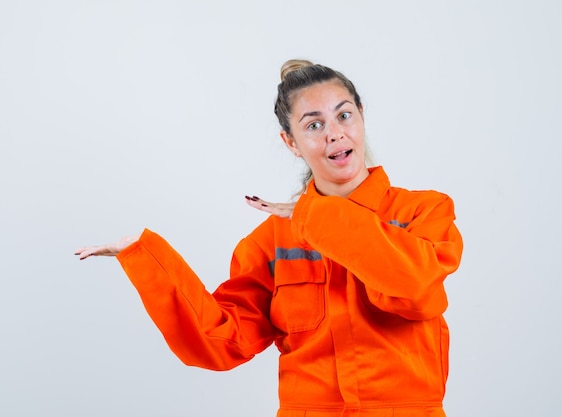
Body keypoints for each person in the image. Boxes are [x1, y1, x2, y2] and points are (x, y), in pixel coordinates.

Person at [75, 59, 463, 417]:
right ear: (291, 142)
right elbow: (221, 342)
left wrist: (316, 216)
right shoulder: (271, 242)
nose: (334, 134)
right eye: (313, 125)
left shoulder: (423, 212)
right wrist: (146, 258)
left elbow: (413, 287)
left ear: (362, 117)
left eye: (344, 115)